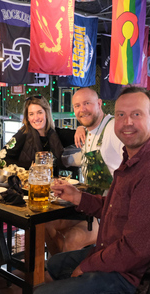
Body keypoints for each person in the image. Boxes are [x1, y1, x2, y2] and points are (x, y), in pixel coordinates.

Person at [30, 86, 150, 294]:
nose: (127, 122)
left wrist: (88, 266)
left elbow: (136, 250)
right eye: (121, 115)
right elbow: (119, 206)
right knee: (55, 265)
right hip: (119, 252)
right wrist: (79, 198)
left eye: (136, 114)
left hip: (143, 279)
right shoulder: (134, 155)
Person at [44, 87, 124, 256]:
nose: (82, 109)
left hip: (108, 214)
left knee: (72, 239)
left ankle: (69, 272)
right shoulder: (88, 132)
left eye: (87, 103)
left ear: (99, 104)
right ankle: (60, 269)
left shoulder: (114, 129)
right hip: (88, 206)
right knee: (45, 224)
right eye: (77, 106)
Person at [0, 95, 76, 173]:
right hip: (27, 183)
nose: (36, 118)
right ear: (28, 118)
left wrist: (81, 129)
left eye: (39, 112)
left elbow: (83, 135)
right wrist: (31, 166)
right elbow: (0, 160)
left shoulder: (56, 133)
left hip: (52, 183)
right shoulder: (23, 134)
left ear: (46, 114)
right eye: (31, 114)